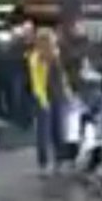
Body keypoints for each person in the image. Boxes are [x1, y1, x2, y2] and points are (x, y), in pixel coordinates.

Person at [28, 29, 71, 174]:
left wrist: (67, 91)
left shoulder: (56, 54)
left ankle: (59, 161)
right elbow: (36, 82)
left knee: (58, 129)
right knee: (44, 132)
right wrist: (42, 100)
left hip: (57, 95)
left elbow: (62, 76)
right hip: (44, 96)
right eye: (52, 39)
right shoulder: (36, 58)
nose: (54, 41)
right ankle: (44, 163)